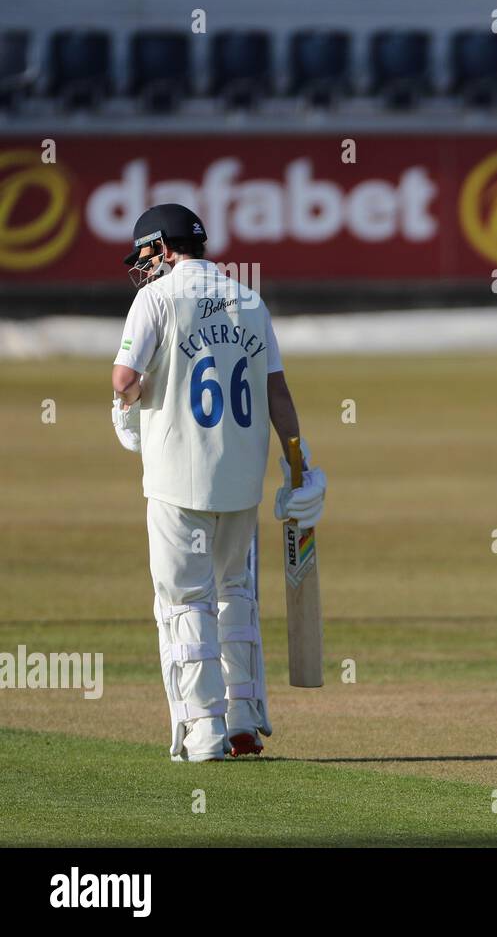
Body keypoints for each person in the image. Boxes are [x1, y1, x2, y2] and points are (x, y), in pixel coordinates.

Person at [110, 203, 326, 762]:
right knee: (235, 595)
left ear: (162, 248)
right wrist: (297, 462)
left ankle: (203, 731)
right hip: (240, 482)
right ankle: (243, 722)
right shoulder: (250, 300)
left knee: (185, 601)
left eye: (146, 255)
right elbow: (278, 391)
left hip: (177, 478)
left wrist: (129, 405)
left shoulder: (155, 299)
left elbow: (125, 378)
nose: (143, 266)